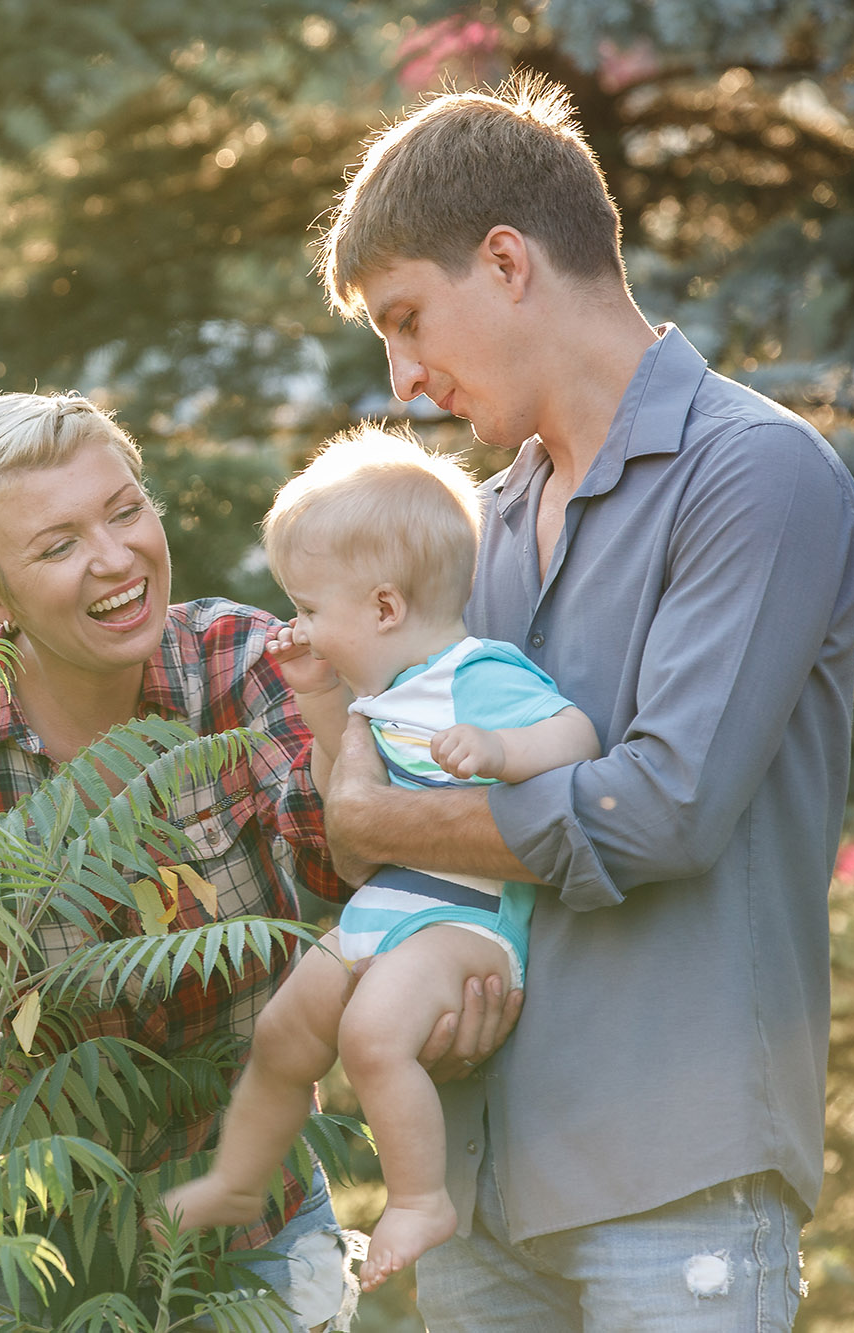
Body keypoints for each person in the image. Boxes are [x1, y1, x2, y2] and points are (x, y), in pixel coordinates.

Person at [313, 75, 854, 1331]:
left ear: (505, 261)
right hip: (482, 1195)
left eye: (407, 319)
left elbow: (661, 806)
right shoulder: (483, 529)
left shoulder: (756, 474)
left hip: (673, 1192)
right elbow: (411, 786)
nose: (402, 380)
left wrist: (379, 824)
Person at [0, 391, 510, 1330]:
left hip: (255, 1225)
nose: (116, 556)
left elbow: (348, 863)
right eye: (57, 544)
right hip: (16, 1262)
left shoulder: (240, 665)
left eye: (125, 510)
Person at [163, 428, 599, 1292]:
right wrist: (323, 696)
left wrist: (500, 748)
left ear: (386, 607)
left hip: (459, 921)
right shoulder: (378, 697)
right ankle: (238, 1177)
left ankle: (419, 1198)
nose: (300, 625)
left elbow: (576, 734)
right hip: (383, 914)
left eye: (312, 607)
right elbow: (341, 800)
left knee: (369, 1036)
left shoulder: (477, 674)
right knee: (283, 1030)